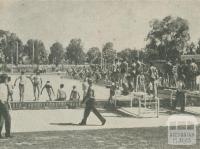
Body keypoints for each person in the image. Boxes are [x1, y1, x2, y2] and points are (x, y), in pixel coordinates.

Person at [0, 74, 12, 138]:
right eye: (7, 79)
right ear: (4, 79)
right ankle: (7, 134)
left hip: (4, 103)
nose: (7, 80)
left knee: (1, 119)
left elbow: (10, 93)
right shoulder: (2, 86)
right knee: (8, 118)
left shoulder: (5, 85)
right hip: (2, 103)